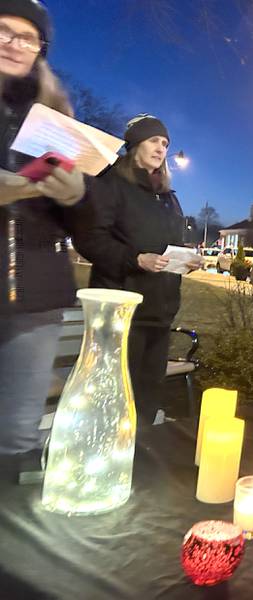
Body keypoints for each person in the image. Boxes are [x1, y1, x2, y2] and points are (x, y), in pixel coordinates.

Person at [72, 115, 201, 425]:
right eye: (154, 140)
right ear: (134, 144)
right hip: (121, 312)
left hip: (159, 312)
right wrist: (135, 259)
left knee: (145, 402)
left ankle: (136, 463)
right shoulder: (110, 184)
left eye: (166, 143)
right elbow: (88, 238)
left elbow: (171, 244)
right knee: (113, 402)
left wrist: (188, 259)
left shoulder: (168, 197)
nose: (161, 148)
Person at [0, 1, 86, 463]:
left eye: (27, 37)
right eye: (4, 30)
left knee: (16, 438)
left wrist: (76, 199)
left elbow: (84, 226)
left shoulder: (54, 116)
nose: (14, 44)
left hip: (36, 300)